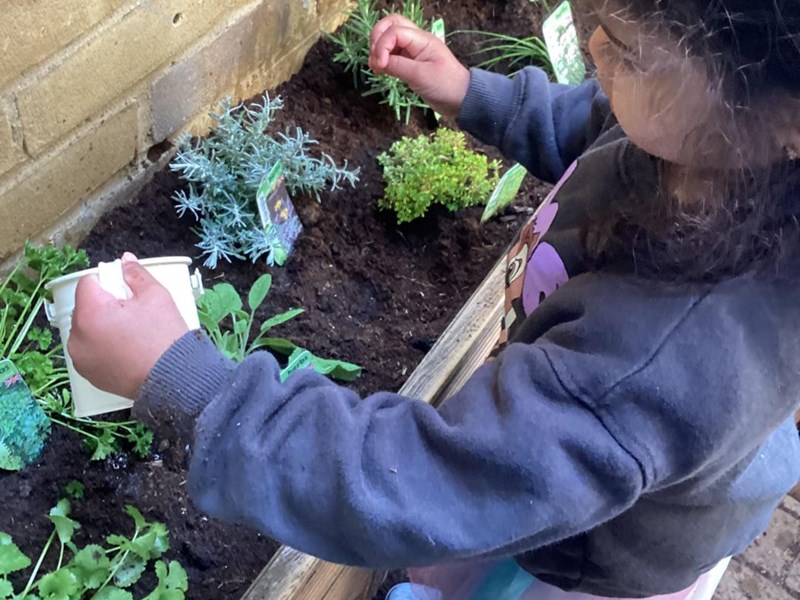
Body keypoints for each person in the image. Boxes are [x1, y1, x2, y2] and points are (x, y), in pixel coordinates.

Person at [69, 0, 800, 598]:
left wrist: (187, 384)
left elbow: (422, 483)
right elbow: (598, 127)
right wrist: (471, 92)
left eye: (632, 50)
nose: (598, 50)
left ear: (781, 117)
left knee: (495, 556)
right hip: (561, 478)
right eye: (597, 20)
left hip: (598, 566)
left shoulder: (657, 361)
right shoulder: (708, 144)